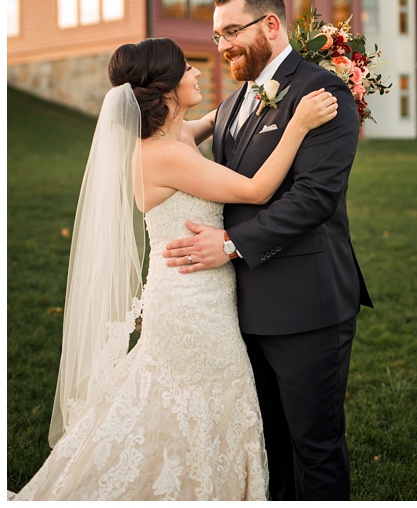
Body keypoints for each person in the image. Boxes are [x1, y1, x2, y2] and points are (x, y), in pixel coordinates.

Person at [14, 38, 338, 499]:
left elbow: (220, 119)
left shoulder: (177, 135)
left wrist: (278, 77)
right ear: (166, 89)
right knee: (188, 403)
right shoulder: (162, 155)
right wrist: (299, 124)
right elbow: (258, 190)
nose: (199, 73)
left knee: (197, 403)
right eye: (189, 68)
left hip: (201, 291)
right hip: (192, 305)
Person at [161, 0, 373, 500]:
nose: (223, 45)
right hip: (240, 308)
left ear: (271, 25)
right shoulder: (232, 104)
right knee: (267, 444)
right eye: (216, 37)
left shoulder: (323, 93)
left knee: (314, 446)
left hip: (307, 305)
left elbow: (315, 197)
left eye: (232, 31)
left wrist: (230, 245)